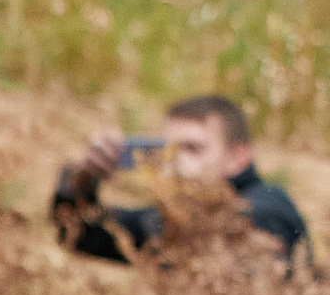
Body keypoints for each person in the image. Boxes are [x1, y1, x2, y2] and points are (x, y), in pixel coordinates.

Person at [51, 94, 311, 268]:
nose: (174, 161)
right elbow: (80, 235)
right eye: (168, 150)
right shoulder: (173, 221)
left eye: (192, 149)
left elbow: (248, 226)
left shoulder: (271, 207)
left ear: (237, 157)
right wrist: (83, 179)